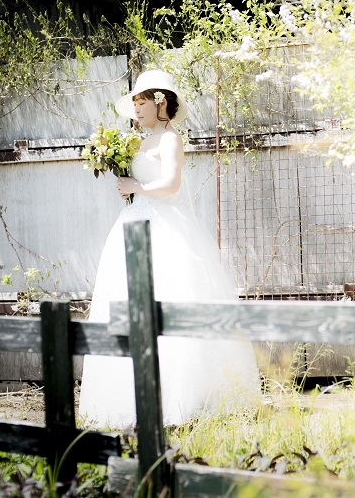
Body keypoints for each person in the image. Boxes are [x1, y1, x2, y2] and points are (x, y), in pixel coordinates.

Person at [78, 69, 261, 429]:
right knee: (127, 300)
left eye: (141, 102)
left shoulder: (169, 140)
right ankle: (126, 398)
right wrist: (125, 183)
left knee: (169, 297)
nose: (136, 109)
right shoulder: (139, 141)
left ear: (160, 103)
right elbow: (140, 182)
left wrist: (137, 187)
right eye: (134, 103)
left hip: (163, 225)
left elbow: (171, 185)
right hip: (132, 224)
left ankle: (182, 398)